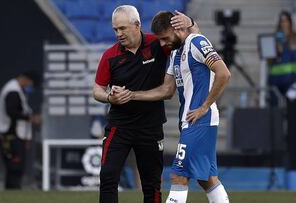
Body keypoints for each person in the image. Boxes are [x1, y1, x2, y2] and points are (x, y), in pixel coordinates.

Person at [113, 11, 231, 203]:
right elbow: (167, 90)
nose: (161, 43)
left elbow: (224, 73)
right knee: (207, 179)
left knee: (178, 175)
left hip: (199, 120)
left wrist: (205, 106)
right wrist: (132, 95)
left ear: (177, 29)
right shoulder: (176, 53)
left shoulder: (196, 43)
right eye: (159, 39)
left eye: (165, 38)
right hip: (190, 120)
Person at [92, 5, 197, 203]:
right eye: (115, 29)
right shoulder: (110, 55)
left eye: (122, 28)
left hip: (150, 125)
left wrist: (190, 23)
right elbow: (97, 89)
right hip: (119, 126)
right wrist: (109, 98)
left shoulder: (158, 44)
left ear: (137, 25)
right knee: (107, 176)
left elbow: (190, 41)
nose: (118, 34)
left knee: (151, 184)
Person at [0, 71, 41, 189]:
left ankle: (13, 191)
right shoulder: (12, 91)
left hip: (16, 136)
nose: (30, 88)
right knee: (15, 166)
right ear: (26, 79)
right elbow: (11, 111)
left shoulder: (18, 90)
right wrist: (30, 118)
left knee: (16, 167)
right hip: (9, 137)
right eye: (31, 84)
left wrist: (26, 137)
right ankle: (13, 192)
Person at [268, 11, 296, 105]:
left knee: (290, 105)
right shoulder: (276, 38)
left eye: (286, 21)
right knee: (275, 105)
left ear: (290, 22)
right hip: (275, 78)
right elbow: (270, 61)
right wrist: (277, 49)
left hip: (290, 79)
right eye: (281, 21)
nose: (284, 23)